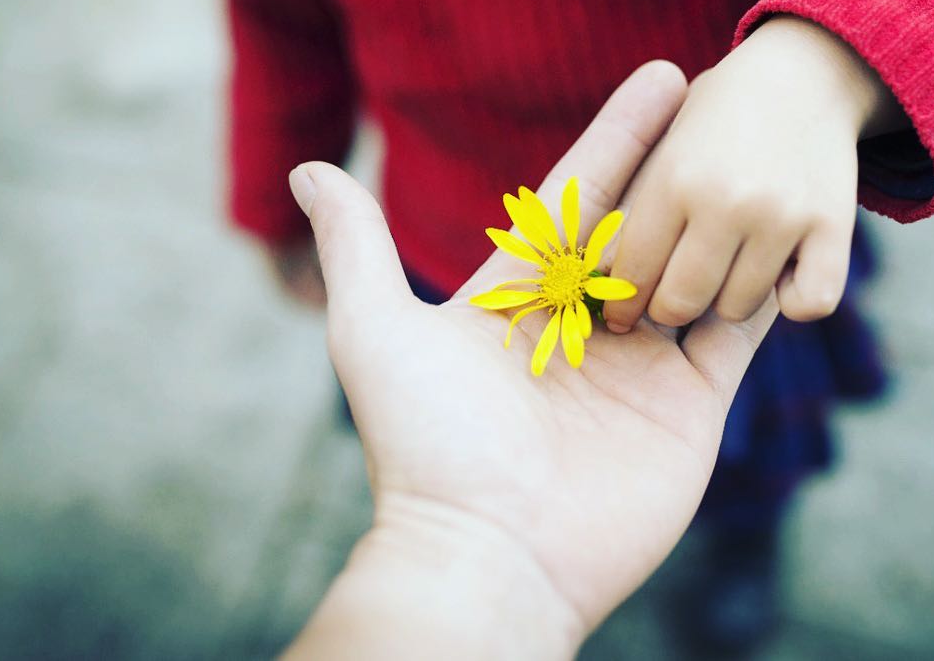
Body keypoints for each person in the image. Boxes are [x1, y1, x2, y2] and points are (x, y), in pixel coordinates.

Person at [209, 0, 934, 650]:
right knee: (439, 421)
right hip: (451, 255)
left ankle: (737, 542)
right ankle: (479, 518)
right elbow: (276, 14)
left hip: (718, 276)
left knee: (736, 450)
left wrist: (824, 66)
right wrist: (275, 192)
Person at [281, 67, 779, 659]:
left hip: (720, 197)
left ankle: (745, 539)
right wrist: (455, 534)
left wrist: (817, 62)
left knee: (753, 442)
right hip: (433, 221)